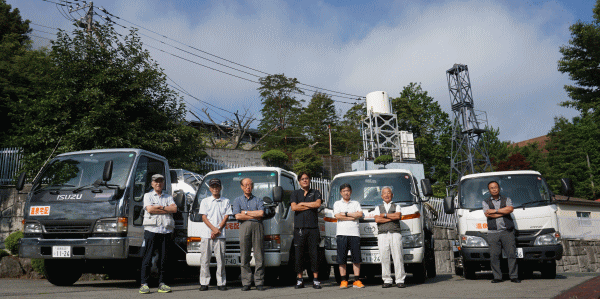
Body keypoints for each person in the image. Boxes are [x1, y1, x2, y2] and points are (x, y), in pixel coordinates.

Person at [139, 174, 177, 294]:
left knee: (163, 258)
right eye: (156, 181)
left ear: (163, 183)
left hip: (166, 230)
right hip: (151, 230)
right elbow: (149, 209)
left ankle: (162, 283)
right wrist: (166, 208)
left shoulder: (168, 196)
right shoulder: (148, 195)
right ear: (152, 183)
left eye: (160, 181)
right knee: (148, 257)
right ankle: (144, 284)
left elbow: (174, 209)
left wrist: (159, 207)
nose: (158, 184)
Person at [482, 181, 520, 283]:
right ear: (489, 190)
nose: (494, 189)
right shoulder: (485, 202)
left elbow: (510, 209)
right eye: (491, 188)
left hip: (507, 231)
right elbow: (488, 215)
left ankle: (514, 276)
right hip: (493, 232)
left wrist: (494, 211)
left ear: (499, 188)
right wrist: (503, 212)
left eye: (495, 187)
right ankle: (497, 277)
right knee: (494, 256)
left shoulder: (506, 199)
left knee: (511, 254)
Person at [290, 172, 323, 289]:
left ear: (309, 180)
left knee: (314, 254)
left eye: (307, 178)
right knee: (298, 255)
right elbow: (294, 207)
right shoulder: (295, 193)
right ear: (299, 181)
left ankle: (315, 279)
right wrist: (310, 205)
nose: (305, 180)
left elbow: (317, 204)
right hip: (299, 229)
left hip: (313, 228)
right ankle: (299, 279)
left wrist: (303, 203)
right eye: (302, 179)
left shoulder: (316, 192)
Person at [198, 178, 232, 291]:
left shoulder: (225, 201)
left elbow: (226, 217)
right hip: (207, 233)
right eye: (213, 187)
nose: (215, 189)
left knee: (221, 260)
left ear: (220, 188)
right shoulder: (205, 201)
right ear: (209, 188)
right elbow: (204, 217)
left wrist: (218, 230)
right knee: (205, 259)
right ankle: (204, 282)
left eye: (217, 186)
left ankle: (221, 282)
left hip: (220, 234)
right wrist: (214, 229)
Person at [232, 178, 266, 291]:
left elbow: (261, 214)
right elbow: (237, 216)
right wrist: (253, 215)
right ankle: (246, 282)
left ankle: (259, 282)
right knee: (244, 255)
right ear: (241, 187)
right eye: (246, 185)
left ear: (253, 186)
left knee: (259, 255)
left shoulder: (258, 200)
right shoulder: (237, 200)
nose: (248, 187)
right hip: (244, 227)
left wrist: (245, 212)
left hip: (258, 227)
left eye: (250, 185)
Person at [333, 183, 365, 289]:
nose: (346, 192)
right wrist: (351, 216)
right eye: (344, 191)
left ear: (350, 192)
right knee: (342, 259)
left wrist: (345, 214)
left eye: (348, 190)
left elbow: (360, 214)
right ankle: (343, 280)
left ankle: (356, 280)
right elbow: (337, 216)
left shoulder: (355, 203)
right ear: (341, 192)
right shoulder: (337, 203)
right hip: (341, 234)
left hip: (354, 234)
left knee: (356, 258)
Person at [374, 187, 406, 288]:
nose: (386, 195)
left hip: (395, 233)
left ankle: (400, 279)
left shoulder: (397, 206)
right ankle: (387, 279)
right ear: (381, 196)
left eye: (389, 193)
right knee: (384, 257)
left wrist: (384, 215)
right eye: (384, 193)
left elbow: (397, 216)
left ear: (392, 195)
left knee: (398, 256)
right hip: (382, 234)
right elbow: (377, 220)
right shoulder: (377, 207)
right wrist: (390, 217)